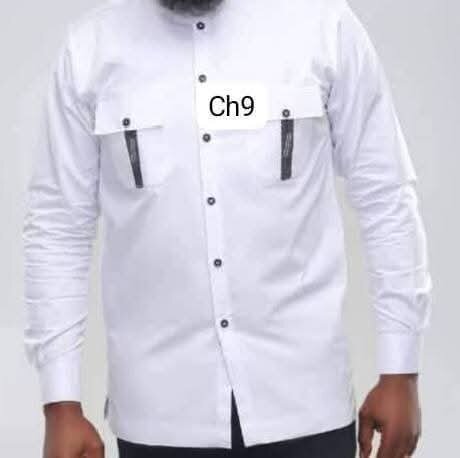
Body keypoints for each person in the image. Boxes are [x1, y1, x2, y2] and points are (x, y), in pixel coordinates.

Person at [23, 0, 432, 457]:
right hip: (159, 415)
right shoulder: (90, 50)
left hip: (305, 401)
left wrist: (401, 370)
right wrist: (60, 402)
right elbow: (58, 227)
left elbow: (386, 197)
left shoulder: (323, 26)